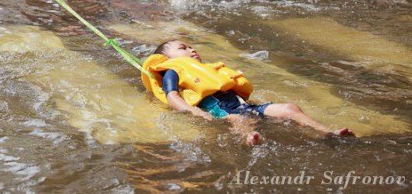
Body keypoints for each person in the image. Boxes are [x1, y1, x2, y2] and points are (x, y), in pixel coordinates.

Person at [142, 39, 356, 146]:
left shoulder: (210, 70)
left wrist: (254, 103)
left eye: (191, 46)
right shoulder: (172, 71)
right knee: (238, 119)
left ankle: (327, 132)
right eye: (183, 48)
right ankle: (249, 140)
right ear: (169, 59)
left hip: (246, 106)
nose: (191, 49)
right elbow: (172, 97)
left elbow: (233, 93)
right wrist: (193, 112)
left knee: (290, 108)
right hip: (221, 112)